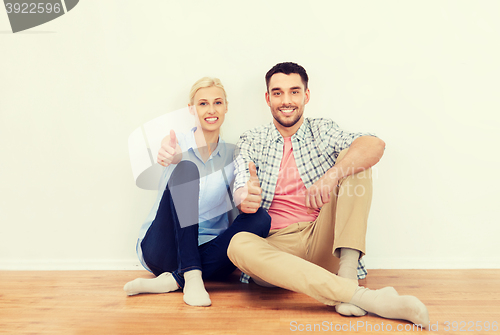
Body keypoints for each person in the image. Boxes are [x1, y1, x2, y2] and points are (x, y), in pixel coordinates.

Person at [227, 62, 429, 327]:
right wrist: (244, 197)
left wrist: (332, 175)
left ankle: (347, 272)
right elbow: (241, 180)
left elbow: (374, 145)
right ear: (267, 98)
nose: (286, 101)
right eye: (277, 93)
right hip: (277, 249)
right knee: (238, 244)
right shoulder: (251, 139)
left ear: (306, 96)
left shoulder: (322, 130)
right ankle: (367, 298)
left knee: (355, 158)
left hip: (321, 237)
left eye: (294, 92)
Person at [124, 77, 270, 307]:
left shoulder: (234, 155)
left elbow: (242, 190)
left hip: (209, 251)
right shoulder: (178, 142)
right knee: (186, 168)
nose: (211, 110)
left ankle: (175, 279)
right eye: (203, 103)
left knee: (261, 218)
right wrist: (171, 156)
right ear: (192, 109)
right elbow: (169, 150)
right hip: (163, 249)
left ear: (226, 107)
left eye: (217, 102)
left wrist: (246, 197)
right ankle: (191, 275)